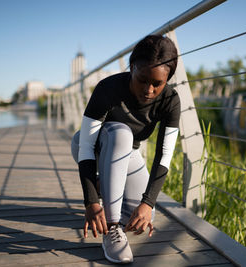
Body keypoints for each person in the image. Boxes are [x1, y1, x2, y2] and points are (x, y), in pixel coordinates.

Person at [71, 34, 180, 264]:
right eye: (142, 80)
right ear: (132, 68)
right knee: (121, 133)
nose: (148, 90)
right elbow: (86, 146)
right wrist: (91, 201)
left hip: (128, 154)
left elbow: (164, 155)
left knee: (138, 215)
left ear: (167, 79)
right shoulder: (108, 88)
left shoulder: (171, 100)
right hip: (94, 147)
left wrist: (148, 203)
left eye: (157, 84)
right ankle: (112, 229)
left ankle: (105, 186)